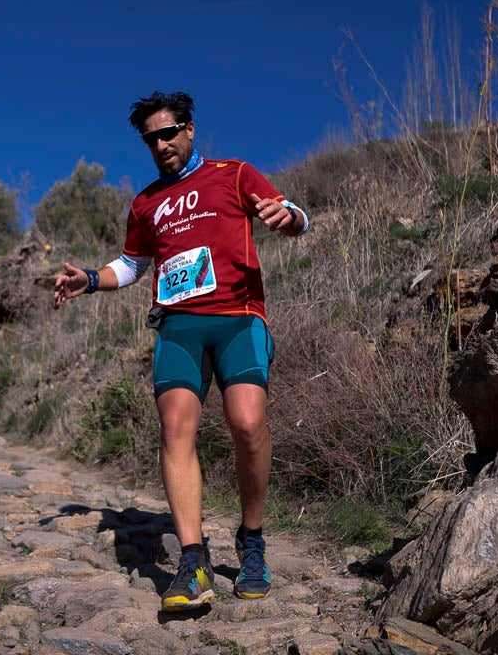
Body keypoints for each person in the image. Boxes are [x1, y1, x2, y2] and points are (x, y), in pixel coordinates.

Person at [53, 91, 309, 611]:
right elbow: (131, 265)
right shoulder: (145, 203)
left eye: (169, 133)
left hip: (238, 318)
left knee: (247, 424)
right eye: (151, 138)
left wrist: (291, 219)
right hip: (178, 326)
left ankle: (252, 539)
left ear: (190, 129)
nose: (161, 144)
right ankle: (193, 563)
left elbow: (290, 213)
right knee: (175, 428)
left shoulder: (233, 173)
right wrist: (89, 278)